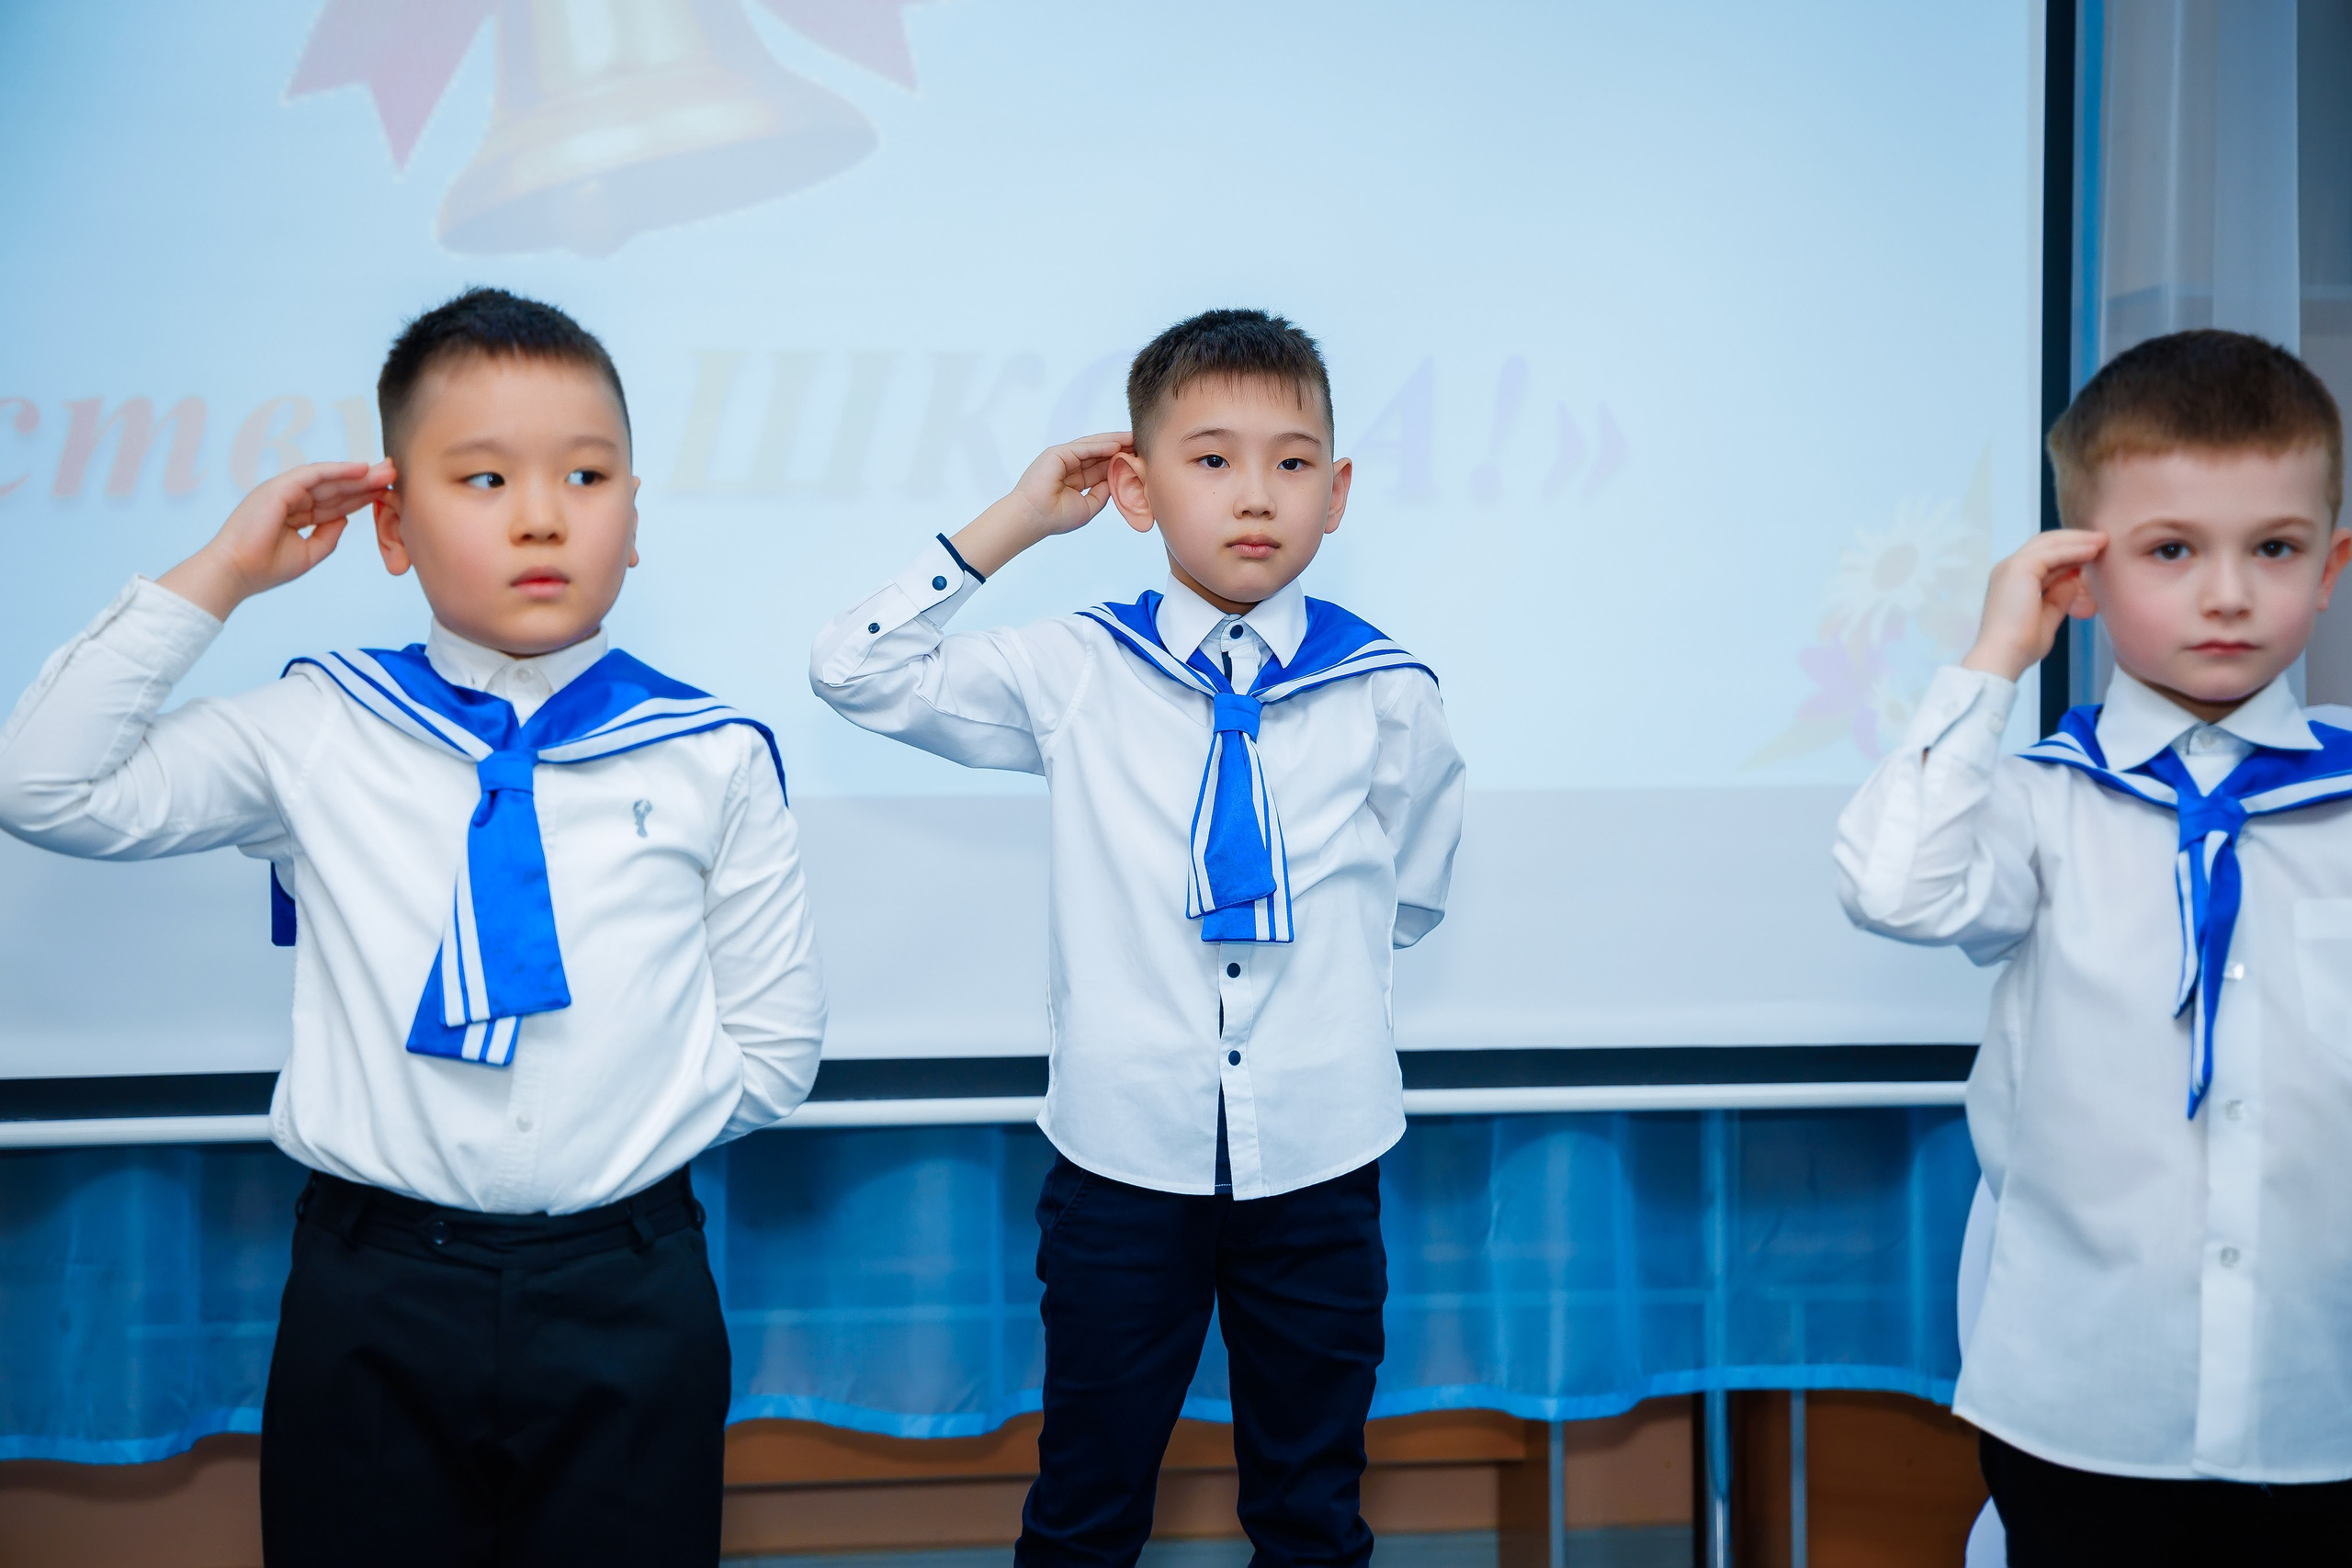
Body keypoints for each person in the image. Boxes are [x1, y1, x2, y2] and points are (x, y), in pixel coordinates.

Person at [0, 288, 825, 1565]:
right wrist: (221, 572)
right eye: (484, 478)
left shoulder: (714, 753)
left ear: (636, 519)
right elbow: (45, 785)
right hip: (375, 1290)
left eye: (587, 475)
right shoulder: (317, 728)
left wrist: (614, 1157)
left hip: (632, 1285)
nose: (543, 514)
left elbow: (776, 1046)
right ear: (392, 524)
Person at [810, 309, 1465, 1567]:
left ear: (1337, 495)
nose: (1254, 495)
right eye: (1211, 459)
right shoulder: (1075, 671)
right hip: (1120, 1160)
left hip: (1322, 1159)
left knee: (1313, 1512)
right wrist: (1010, 523)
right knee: (1086, 1507)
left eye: (1291, 462)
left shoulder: (1390, 693)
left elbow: (1407, 897)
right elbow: (855, 670)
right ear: (1137, 488)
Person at [1835, 328, 2352, 1562]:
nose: (2227, 593)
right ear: (2086, 573)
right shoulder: (2032, 803)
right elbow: (1898, 889)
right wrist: (1998, 653)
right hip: (2081, 1406)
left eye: (2273, 549)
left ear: (2330, 569)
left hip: (2323, 1401)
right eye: (2171, 551)